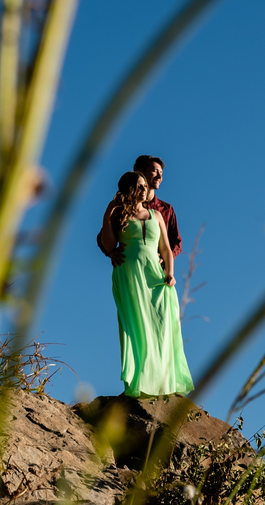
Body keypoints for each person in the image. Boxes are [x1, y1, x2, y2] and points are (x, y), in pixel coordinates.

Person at [99, 171, 194, 397]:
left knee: (163, 326)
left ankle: (163, 381)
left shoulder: (156, 215)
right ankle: (140, 380)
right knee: (137, 326)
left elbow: (166, 249)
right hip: (129, 275)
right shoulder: (118, 214)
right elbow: (109, 245)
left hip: (155, 276)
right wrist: (108, 211)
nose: (143, 189)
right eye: (139, 186)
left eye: (144, 185)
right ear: (129, 189)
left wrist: (170, 273)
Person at [96, 154, 182, 265]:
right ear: (140, 173)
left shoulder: (166, 209)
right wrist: (112, 253)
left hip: (158, 271)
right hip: (131, 268)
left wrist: (165, 259)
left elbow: (176, 242)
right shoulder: (124, 207)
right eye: (154, 171)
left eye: (161, 173)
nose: (159, 177)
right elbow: (103, 237)